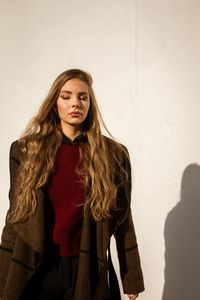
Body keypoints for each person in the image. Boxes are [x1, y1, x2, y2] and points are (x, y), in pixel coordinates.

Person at [0, 68, 145, 300]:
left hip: (87, 265)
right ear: (54, 103)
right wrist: (3, 277)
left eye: (83, 97)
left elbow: (124, 218)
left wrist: (131, 276)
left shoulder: (113, 155)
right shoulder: (25, 150)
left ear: (90, 104)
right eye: (66, 97)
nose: (75, 103)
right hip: (38, 267)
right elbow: (15, 217)